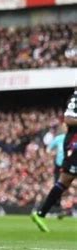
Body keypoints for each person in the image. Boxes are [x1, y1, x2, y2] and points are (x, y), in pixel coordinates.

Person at [32, 90, 77, 232]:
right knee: (65, 180)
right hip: (75, 144)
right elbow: (68, 119)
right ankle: (41, 213)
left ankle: (41, 213)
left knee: (65, 181)